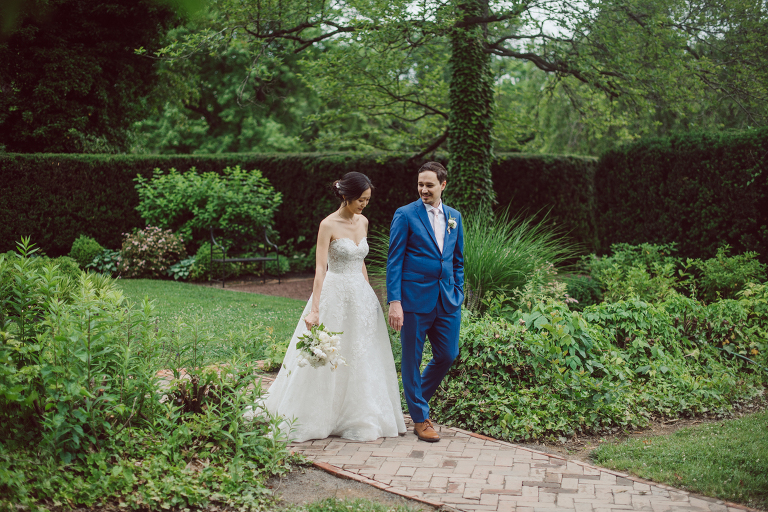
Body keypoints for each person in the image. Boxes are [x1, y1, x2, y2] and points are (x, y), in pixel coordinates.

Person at [264, 172, 406, 442]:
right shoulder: (327, 225)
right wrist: (315, 309)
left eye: (367, 200)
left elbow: (361, 260)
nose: (364, 205)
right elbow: (320, 268)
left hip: (360, 298)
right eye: (360, 200)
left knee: (362, 354)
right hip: (334, 294)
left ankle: (362, 413)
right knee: (330, 353)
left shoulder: (363, 221)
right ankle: (319, 413)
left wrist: (369, 297)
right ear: (345, 195)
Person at [386, 161, 464, 442]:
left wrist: (458, 289)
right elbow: (394, 260)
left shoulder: (455, 216)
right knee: (412, 360)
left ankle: (415, 399)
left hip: (447, 299)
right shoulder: (405, 215)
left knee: (447, 354)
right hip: (414, 300)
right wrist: (395, 301)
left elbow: (457, 260)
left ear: (443, 185)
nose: (423, 190)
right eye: (420, 184)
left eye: (429, 185)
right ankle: (420, 418)